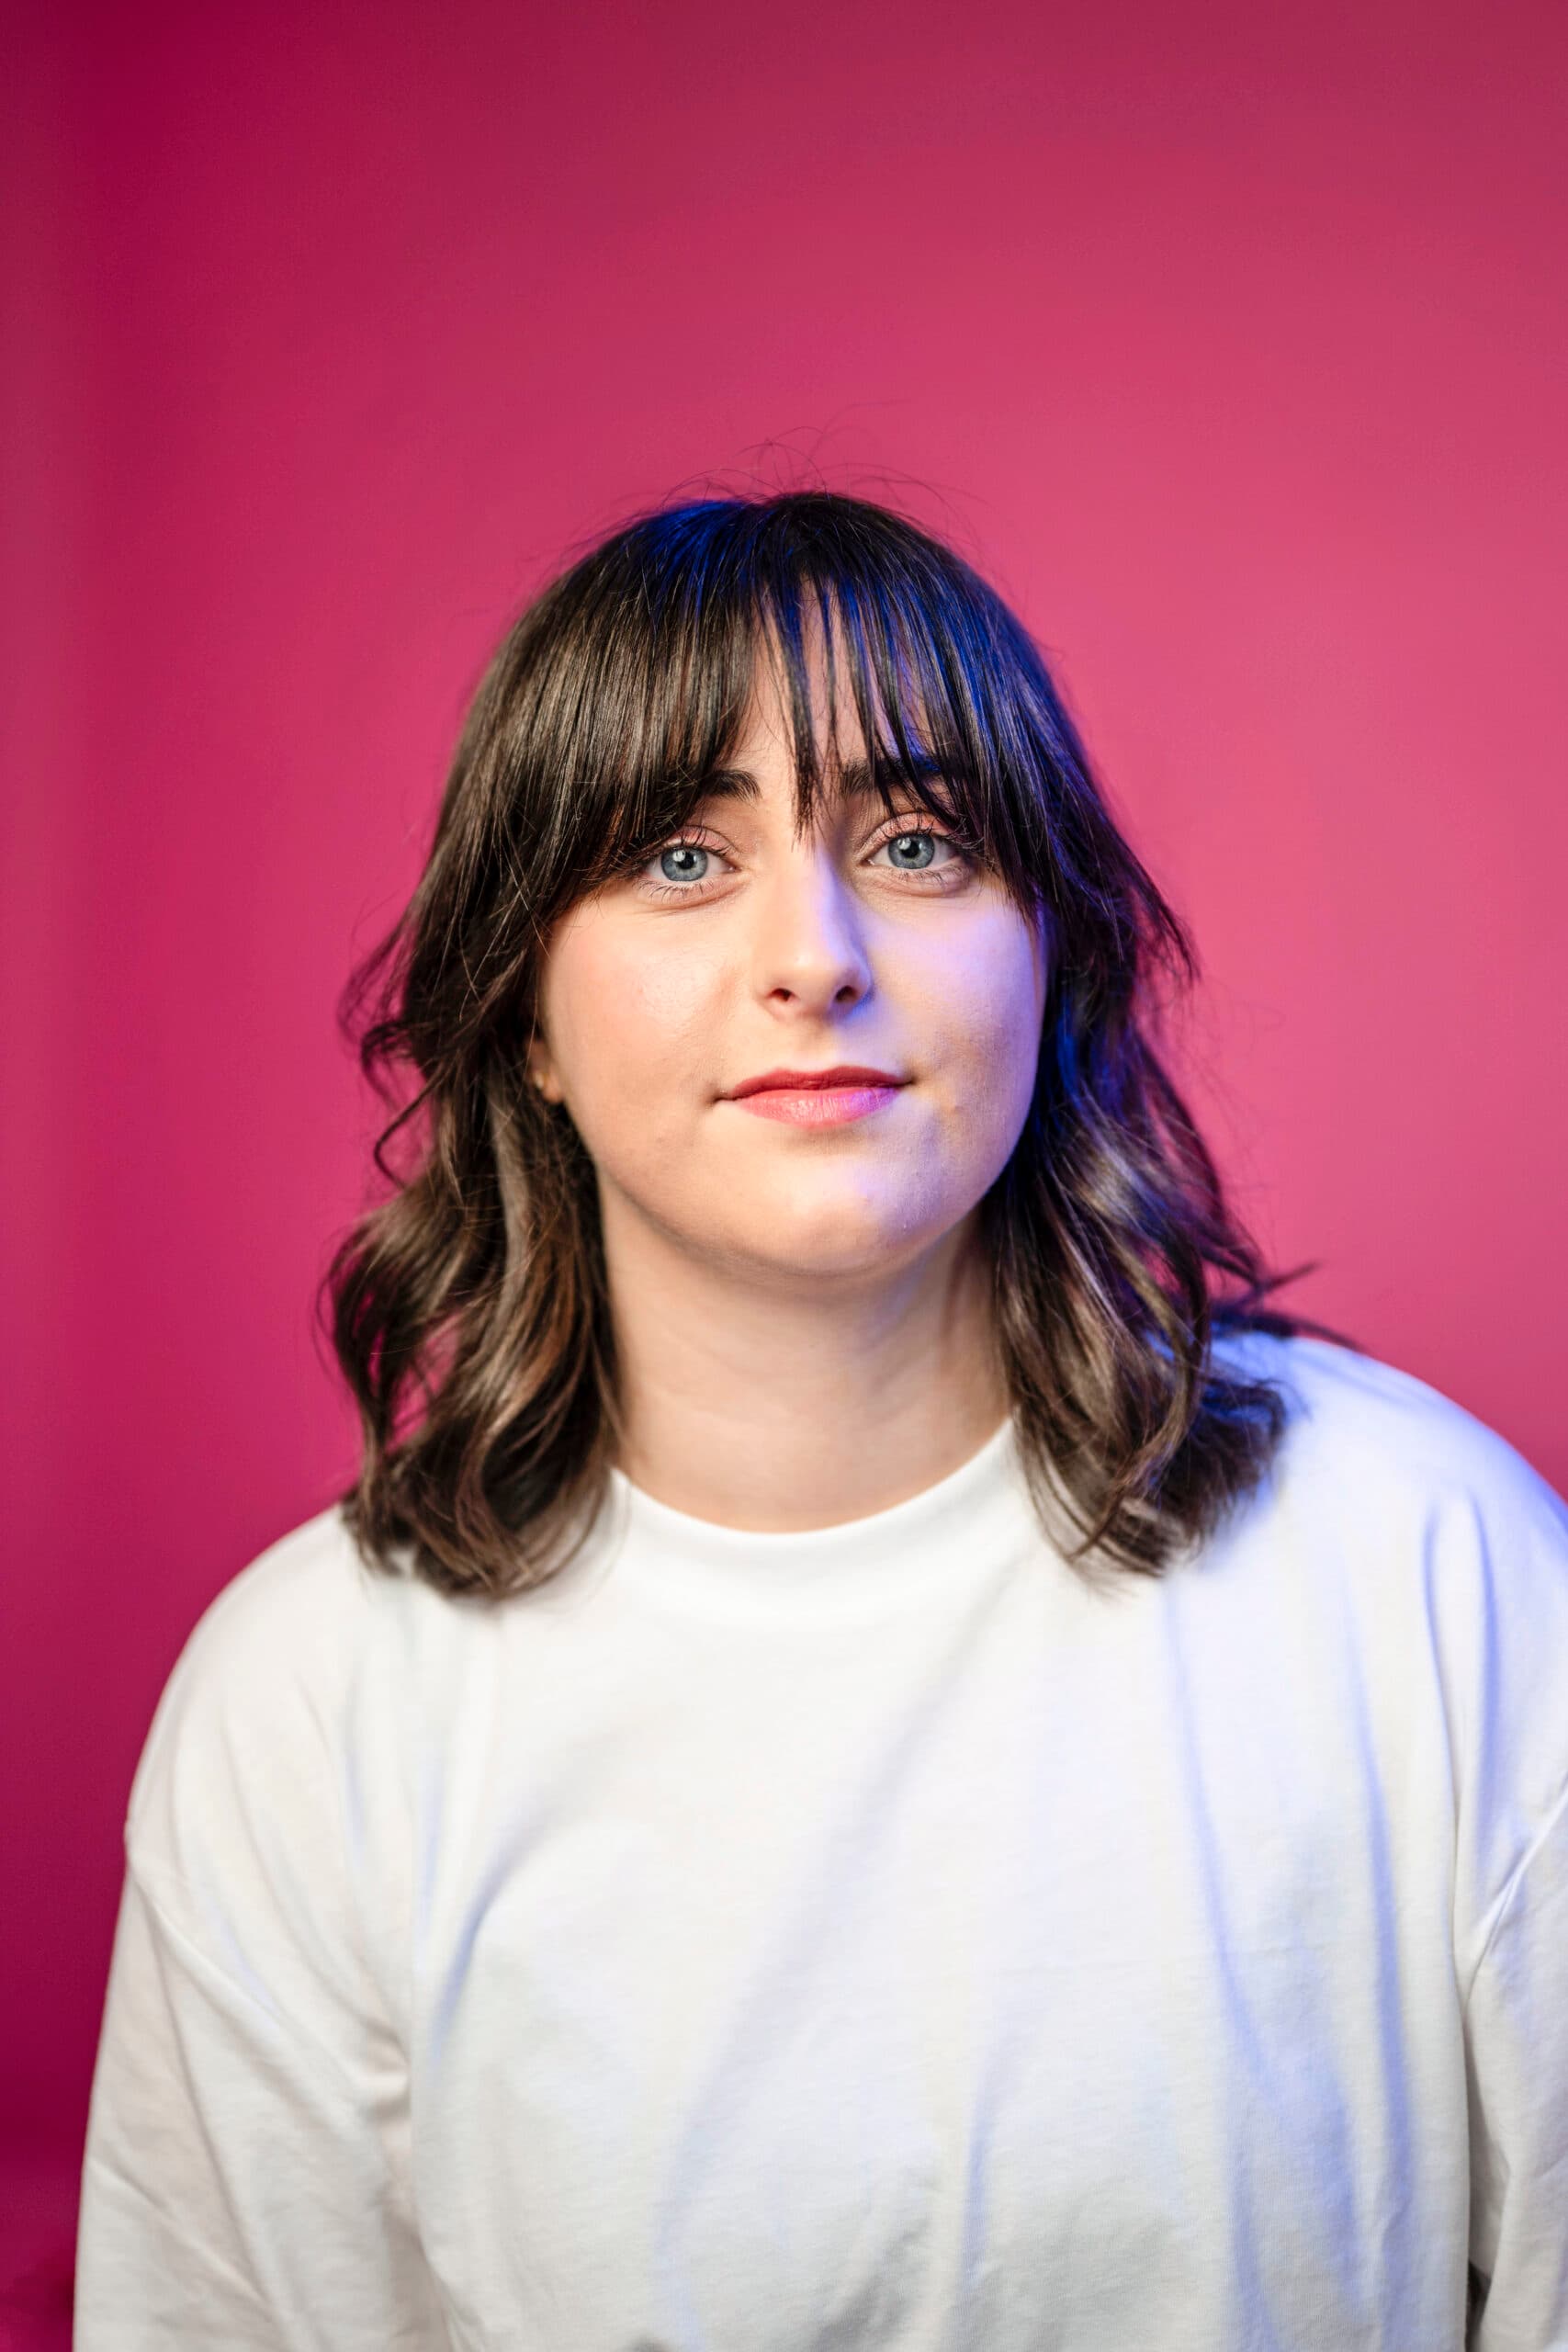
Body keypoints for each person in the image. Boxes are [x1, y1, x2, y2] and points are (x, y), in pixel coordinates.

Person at [75, 490, 1567, 2350]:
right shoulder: (308, 1703)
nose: (817, 952)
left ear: (1055, 961)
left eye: (921, 840)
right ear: (523, 1011)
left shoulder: (1428, 1562)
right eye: (681, 857)